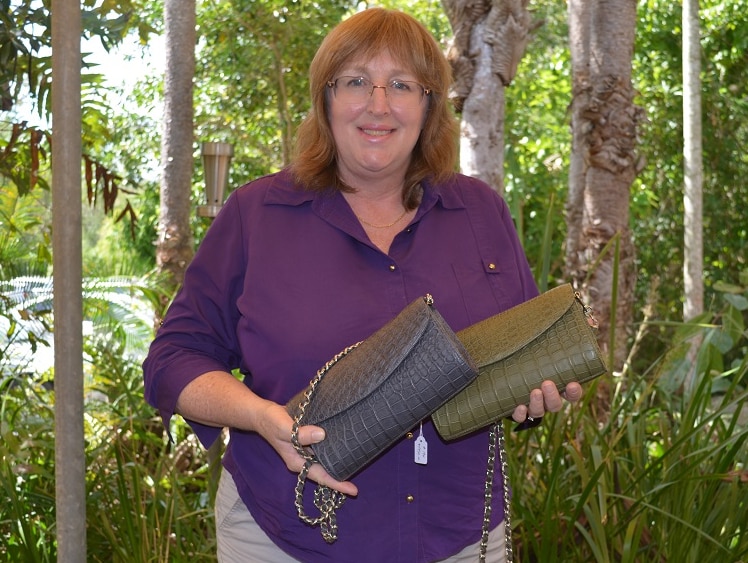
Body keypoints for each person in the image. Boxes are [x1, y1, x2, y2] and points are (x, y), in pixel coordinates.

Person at [143, 7, 582, 563]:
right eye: (355, 82)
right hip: (284, 534)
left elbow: (522, 352)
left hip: (459, 535)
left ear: (429, 105)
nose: (378, 104)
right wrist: (259, 416)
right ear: (325, 101)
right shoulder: (258, 214)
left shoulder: (480, 213)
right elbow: (173, 358)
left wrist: (538, 395)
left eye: (401, 84)